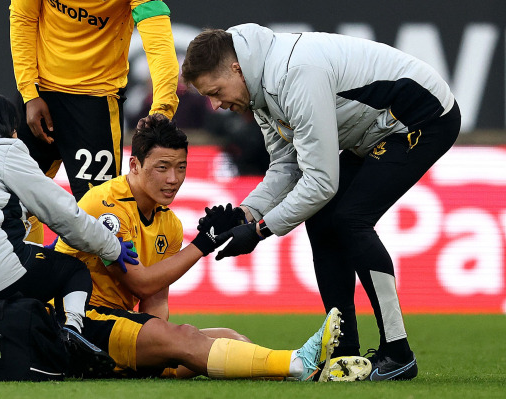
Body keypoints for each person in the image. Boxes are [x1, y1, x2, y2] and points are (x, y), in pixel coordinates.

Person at [181, 24, 461, 381]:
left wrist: (260, 230)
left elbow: (321, 182)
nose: (216, 105)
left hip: (422, 116)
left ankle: (398, 353)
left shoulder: (294, 74)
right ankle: (344, 352)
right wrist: (243, 213)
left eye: (216, 92)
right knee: (323, 218)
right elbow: (285, 166)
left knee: (350, 219)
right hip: (375, 128)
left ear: (236, 68)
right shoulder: (259, 85)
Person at [55, 114, 371, 382]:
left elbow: (155, 298)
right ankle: (298, 360)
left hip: (116, 324)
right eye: (162, 167)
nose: (173, 179)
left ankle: (309, 373)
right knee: (184, 338)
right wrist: (204, 244)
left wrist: (161, 350)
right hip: (76, 322)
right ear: (134, 165)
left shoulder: (170, 224)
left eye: (181, 167)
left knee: (227, 337)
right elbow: (140, 282)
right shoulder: (105, 204)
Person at [0, 91, 139, 375]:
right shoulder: (3, 149)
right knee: (72, 270)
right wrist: (112, 246)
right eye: (13, 125)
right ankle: (71, 336)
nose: (16, 133)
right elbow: (62, 214)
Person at [9, 0, 180, 245]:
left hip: (96, 104)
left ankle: (85, 283)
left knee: (100, 217)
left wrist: (162, 110)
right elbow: (22, 18)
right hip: (39, 95)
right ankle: (24, 278)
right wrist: (29, 93)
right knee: (15, 200)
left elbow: (158, 40)